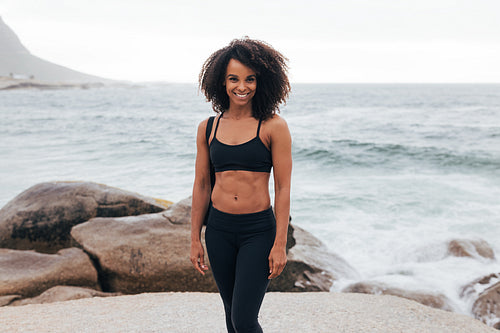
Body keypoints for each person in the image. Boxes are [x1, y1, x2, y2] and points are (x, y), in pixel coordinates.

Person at [190, 37, 292, 333]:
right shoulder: (208, 127)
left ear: (262, 82)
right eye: (234, 79)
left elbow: (283, 188)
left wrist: (280, 244)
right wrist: (195, 237)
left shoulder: (273, 126)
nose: (242, 86)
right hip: (219, 230)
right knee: (230, 313)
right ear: (222, 82)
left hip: (257, 232)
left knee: (244, 320)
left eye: (250, 79)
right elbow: (201, 185)